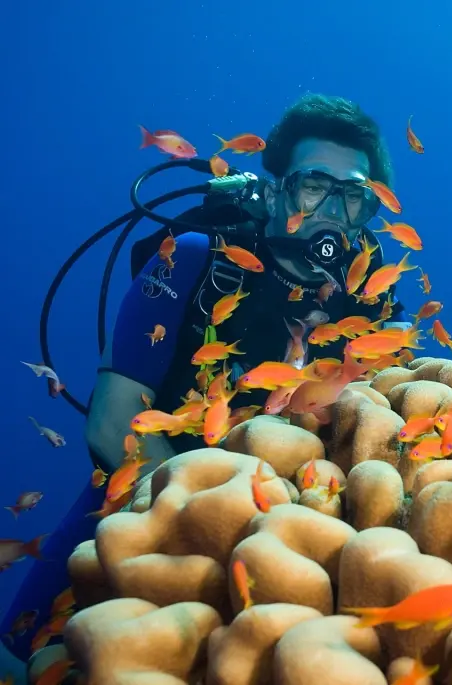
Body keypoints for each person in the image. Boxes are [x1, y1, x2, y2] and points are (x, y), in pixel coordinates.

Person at [2, 94, 409, 667]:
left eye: (353, 198)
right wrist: (204, 525)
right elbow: (111, 421)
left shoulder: (375, 300)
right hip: (135, 508)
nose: (330, 213)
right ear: (274, 189)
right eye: (314, 186)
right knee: (27, 662)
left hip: (293, 536)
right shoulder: (192, 256)